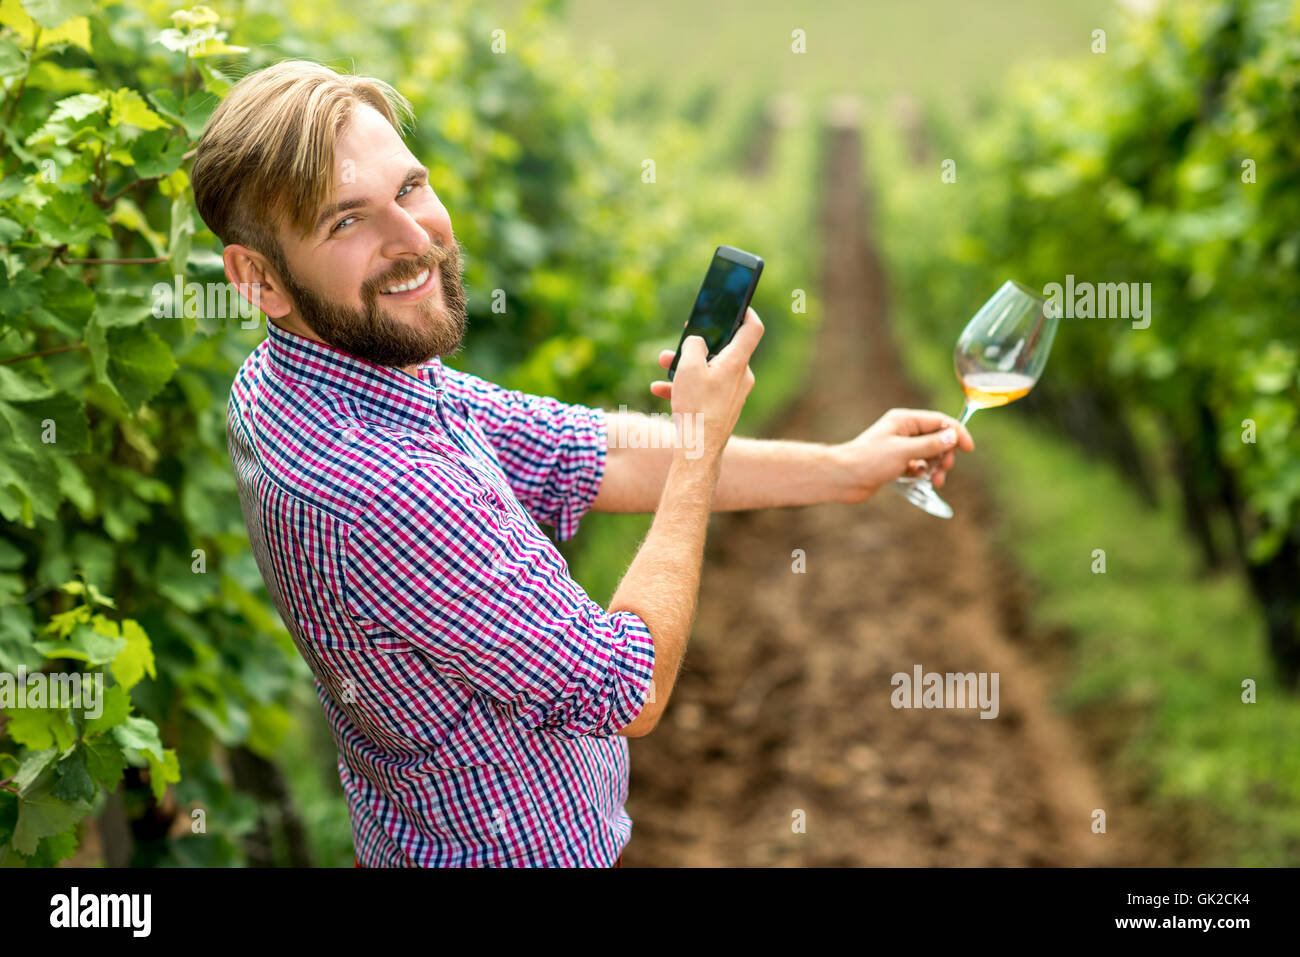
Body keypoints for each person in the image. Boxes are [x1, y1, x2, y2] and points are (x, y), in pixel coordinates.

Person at [193, 59, 974, 868]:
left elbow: (586, 455)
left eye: (411, 188)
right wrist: (699, 444)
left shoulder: (297, 378)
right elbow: (627, 686)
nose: (413, 236)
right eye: (346, 222)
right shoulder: (387, 488)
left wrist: (846, 467)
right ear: (257, 279)